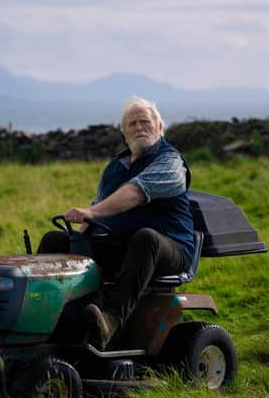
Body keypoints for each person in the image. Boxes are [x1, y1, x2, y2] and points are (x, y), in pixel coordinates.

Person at [36, 96, 194, 349]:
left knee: (146, 237)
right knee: (55, 240)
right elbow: (97, 207)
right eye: (132, 123)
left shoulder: (170, 162)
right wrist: (79, 238)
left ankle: (111, 321)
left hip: (170, 248)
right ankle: (47, 317)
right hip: (122, 246)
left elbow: (135, 193)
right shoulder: (115, 167)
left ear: (160, 127)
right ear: (124, 133)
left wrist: (92, 213)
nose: (139, 127)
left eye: (146, 121)